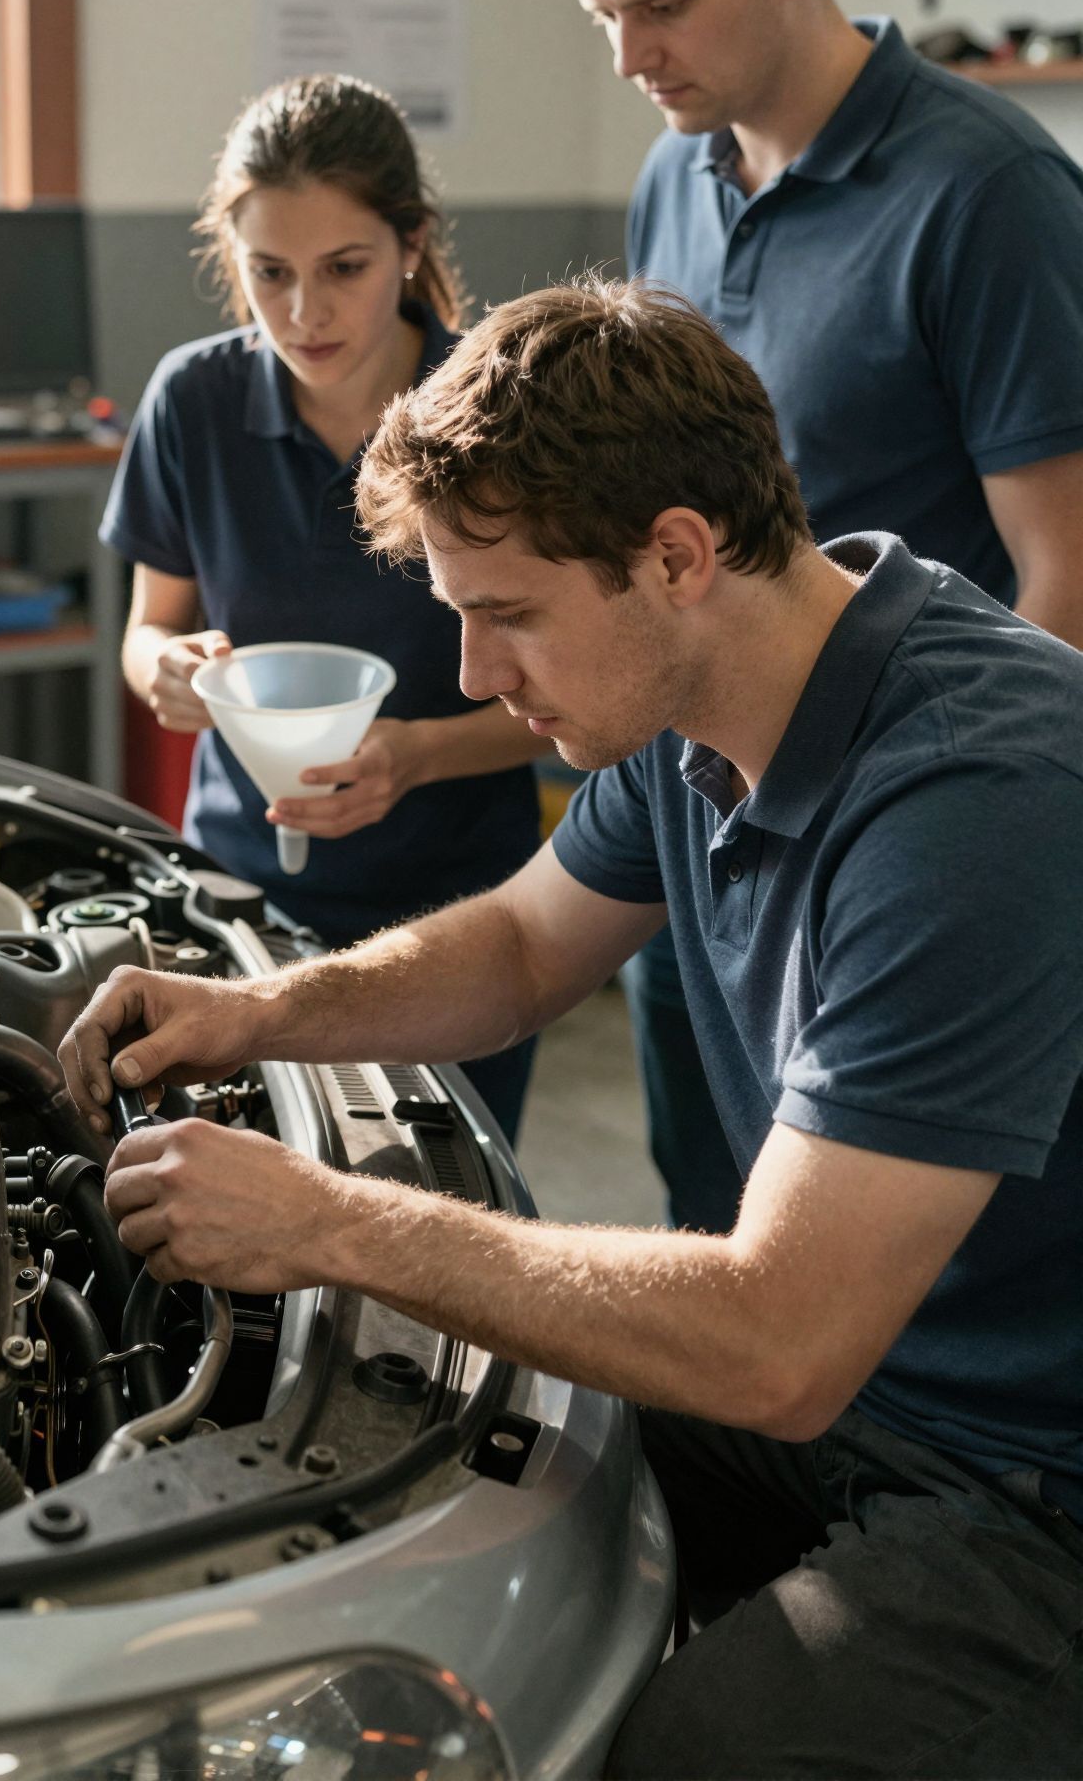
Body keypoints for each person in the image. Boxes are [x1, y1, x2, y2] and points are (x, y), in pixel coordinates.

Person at [62, 279, 1083, 1780]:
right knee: (455, 1469)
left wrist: (329, 1221)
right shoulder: (700, 699)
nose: (473, 678)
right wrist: (255, 1014)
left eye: (508, 616)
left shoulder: (976, 798)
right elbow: (525, 945)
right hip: (882, 1385)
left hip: (1038, 1476)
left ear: (676, 554)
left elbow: (781, 1342)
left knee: (690, 1754)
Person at [528, 0, 1083, 1234]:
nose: (630, 55)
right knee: (705, 1238)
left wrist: (976, 855)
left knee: (880, 1291)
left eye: (663, 6)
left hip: (896, 861)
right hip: (701, 823)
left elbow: (1068, 577)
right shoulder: (673, 177)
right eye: (604, 17)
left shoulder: (989, 192)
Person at [99, 74, 543, 1138]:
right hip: (240, 893)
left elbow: (575, 691)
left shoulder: (503, 408)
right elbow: (147, 629)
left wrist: (416, 756)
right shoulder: (193, 402)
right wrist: (165, 669)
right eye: (270, 272)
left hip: (460, 911)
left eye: (344, 267)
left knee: (435, 1196)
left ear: (410, 242)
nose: (304, 312)